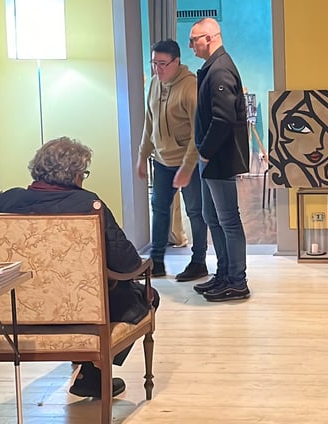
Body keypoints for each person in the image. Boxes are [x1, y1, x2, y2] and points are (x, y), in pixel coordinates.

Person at [0, 137, 160, 400]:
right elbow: (127, 263)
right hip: (78, 309)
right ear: (74, 175)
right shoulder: (87, 205)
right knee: (146, 296)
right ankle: (92, 376)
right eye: (83, 173)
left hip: (16, 308)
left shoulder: (6, 201)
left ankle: (85, 363)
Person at [188, 17, 251, 302]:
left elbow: (223, 119)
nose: (191, 46)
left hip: (218, 158)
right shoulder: (213, 67)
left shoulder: (221, 70)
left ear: (209, 38)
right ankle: (224, 274)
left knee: (228, 220)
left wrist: (205, 151)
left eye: (194, 40)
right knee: (212, 217)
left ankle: (237, 281)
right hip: (212, 159)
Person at [137, 38, 209, 282]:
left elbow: (198, 133)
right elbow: (149, 122)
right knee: (159, 209)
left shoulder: (190, 87)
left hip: (188, 163)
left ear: (176, 62)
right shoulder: (154, 83)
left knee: (195, 211)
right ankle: (156, 261)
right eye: (154, 63)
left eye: (163, 64)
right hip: (161, 161)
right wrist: (142, 155)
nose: (158, 69)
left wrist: (187, 168)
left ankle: (199, 261)